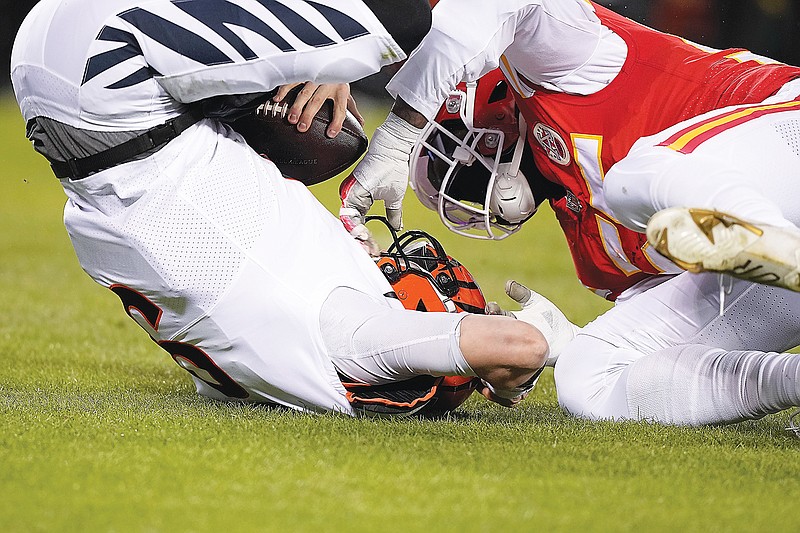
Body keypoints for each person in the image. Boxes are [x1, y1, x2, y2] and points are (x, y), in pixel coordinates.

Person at [10, 0, 548, 415]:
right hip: (101, 127)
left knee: (396, 19)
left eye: (432, 289)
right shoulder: (265, 355)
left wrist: (518, 362)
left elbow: (518, 345)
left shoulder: (347, 333)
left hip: (101, 61)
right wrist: (305, 61)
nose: (410, 265)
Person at [341, 0, 800, 426]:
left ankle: (778, 247)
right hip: (757, 217)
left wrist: (398, 135)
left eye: (459, 166)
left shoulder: (566, 60)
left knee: (634, 176)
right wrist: (566, 340)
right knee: (590, 378)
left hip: (784, 130)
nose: (468, 188)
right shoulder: (594, 241)